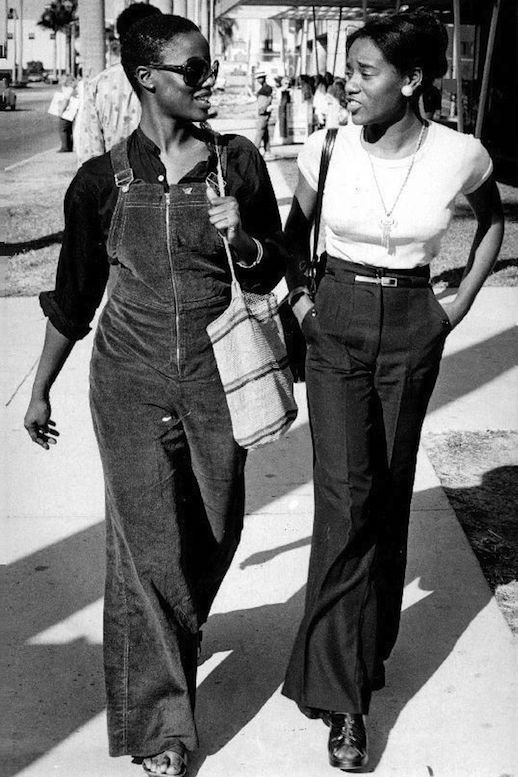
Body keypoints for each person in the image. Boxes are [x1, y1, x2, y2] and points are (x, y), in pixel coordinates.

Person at [23, 14, 285, 777]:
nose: (208, 81)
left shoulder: (237, 164)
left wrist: (245, 239)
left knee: (216, 525)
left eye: (209, 69)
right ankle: (163, 725)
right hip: (128, 381)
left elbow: (272, 270)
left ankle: (172, 633)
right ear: (147, 78)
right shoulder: (102, 179)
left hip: (217, 379)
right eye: (192, 70)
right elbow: (74, 296)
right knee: (145, 549)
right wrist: (39, 389)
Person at [281, 8, 503, 771]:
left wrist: (458, 302)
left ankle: (362, 649)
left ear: (411, 80)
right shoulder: (328, 144)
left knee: (385, 494)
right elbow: (289, 240)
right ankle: (346, 704)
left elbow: (492, 220)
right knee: (344, 499)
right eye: (350, 69)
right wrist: (306, 306)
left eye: (365, 72)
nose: (349, 84)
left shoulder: (459, 153)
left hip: (413, 322)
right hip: (335, 320)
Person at [74, 2, 162, 165]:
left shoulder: (99, 85)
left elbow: (89, 149)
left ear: (121, 40)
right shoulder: (173, 80)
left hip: (115, 183)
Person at [253, 70, 273, 157]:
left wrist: (263, 109)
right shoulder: (264, 88)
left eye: (259, 78)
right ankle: (267, 150)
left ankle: (255, 151)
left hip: (263, 113)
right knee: (265, 132)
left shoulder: (266, 89)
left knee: (259, 132)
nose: (258, 80)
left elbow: (268, 99)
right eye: (257, 78)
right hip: (263, 112)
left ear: (264, 78)